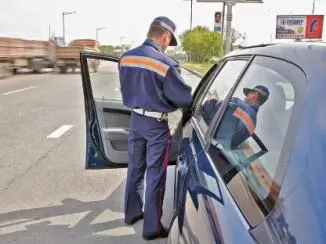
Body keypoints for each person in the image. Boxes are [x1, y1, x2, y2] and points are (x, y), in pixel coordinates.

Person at [118, 16, 192, 240]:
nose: (167, 47)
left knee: (135, 169)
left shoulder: (125, 58)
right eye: (169, 42)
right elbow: (184, 98)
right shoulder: (165, 64)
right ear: (165, 36)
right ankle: (151, 228)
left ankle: (131, 213)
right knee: (155, 175)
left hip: (135, 120)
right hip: (155, 125)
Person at [202, 85, 269, 148]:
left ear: (255, 94)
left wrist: (212, 100)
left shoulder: (237, 103)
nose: (245, 96)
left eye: (249, 93)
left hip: (209, 143)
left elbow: (210, 116)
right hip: (220, 152)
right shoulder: (253, 125)